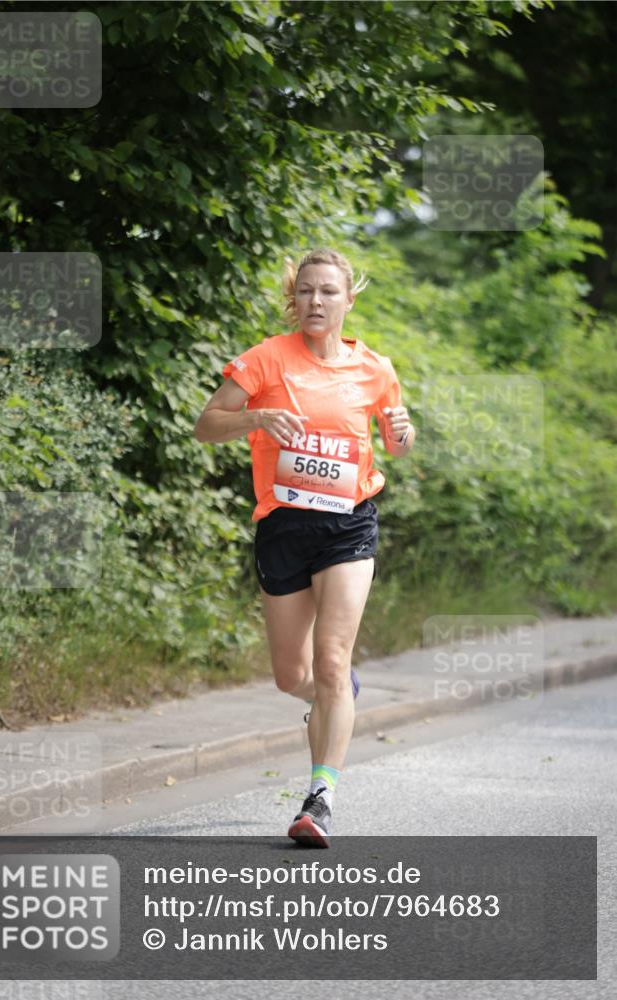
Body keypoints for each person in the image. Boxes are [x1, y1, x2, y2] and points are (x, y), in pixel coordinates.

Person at [194, 248, 415, 847]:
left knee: (332, 658)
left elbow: (395, 440)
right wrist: (258, 418)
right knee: (293, 675)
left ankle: (319, 800)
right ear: (294, 299)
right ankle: (334, 696)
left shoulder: (374, 368)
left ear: (348, 300)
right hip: (285, 525)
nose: (316, 302)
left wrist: (402, 433)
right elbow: (206, 423)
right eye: (306, 292)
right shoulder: (266, 358)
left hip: (348, 523)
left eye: (328, 292)